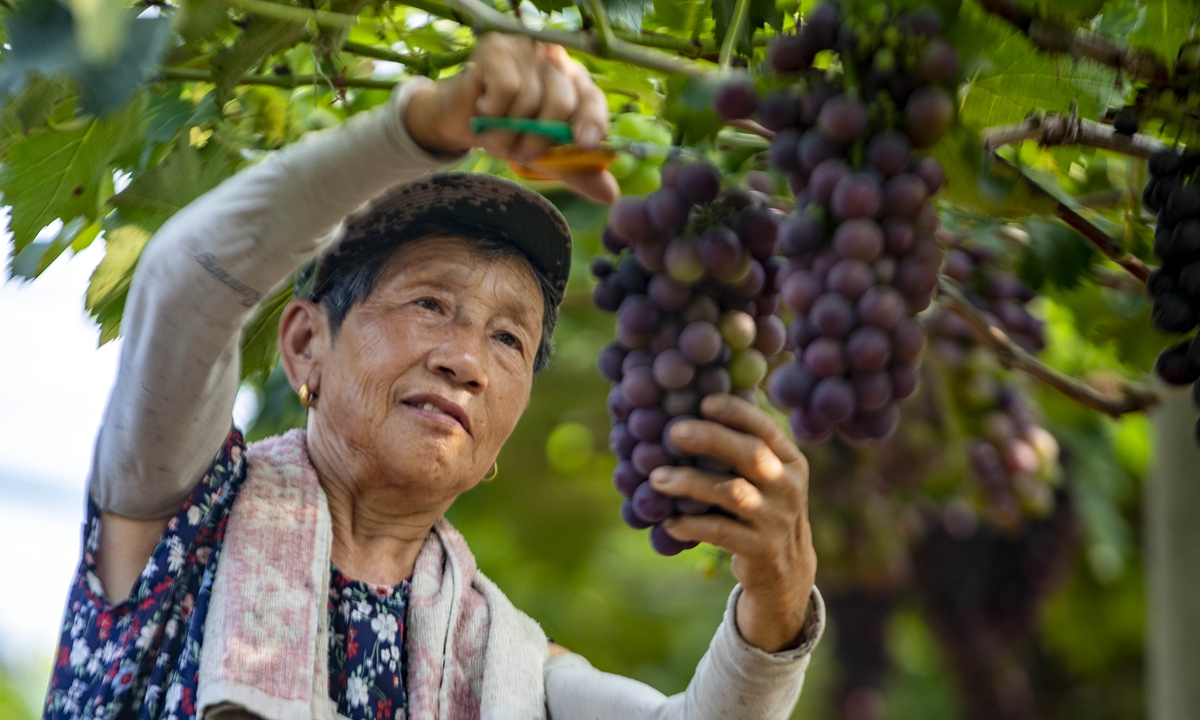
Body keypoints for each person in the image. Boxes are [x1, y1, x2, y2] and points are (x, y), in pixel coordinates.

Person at [44, 34, 823, 720]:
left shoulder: (506, 661)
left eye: (509, 339)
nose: (467, 361)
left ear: (498, 446)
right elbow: (188, 283)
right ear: (305, 342)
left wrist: (778, 610)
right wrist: (420, 128)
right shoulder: (177, 518)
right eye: (429, 303)